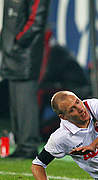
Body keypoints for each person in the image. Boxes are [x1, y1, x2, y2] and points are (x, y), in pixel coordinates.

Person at [0, 0, 50, 158]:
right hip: (11, 53)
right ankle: (22, 144)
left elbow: (36, 20)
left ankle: (29, 145)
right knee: (16, 102)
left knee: (25, 102)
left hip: (24, 54)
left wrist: (17, 42)